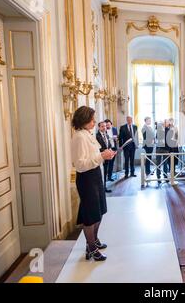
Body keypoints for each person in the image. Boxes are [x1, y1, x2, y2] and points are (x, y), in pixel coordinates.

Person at [71, 106, 116, 261]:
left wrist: (105, 155)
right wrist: (101, 156)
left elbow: (95, 156)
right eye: (91, 119)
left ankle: (94, 240)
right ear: (83, 119)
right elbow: (80, 165)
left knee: (99, 210)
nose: (94, 121)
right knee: (90, 214)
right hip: (86, 178)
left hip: (95, 175)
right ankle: (91, 247)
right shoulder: (79, 137)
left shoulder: (88, 134)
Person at [96, 121, 112, 193]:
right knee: (102, 173)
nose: (104, 127)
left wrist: (110, 150)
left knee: (105, 172)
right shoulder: (97, 136)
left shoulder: (107, 135)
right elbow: (97, 148)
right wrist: (105, 151)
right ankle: (102, 188)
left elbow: (109, 145)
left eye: (105, 126)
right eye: (102, 126)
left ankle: (104, 187)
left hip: (107, 156)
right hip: (101, 157)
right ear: (99, 127)